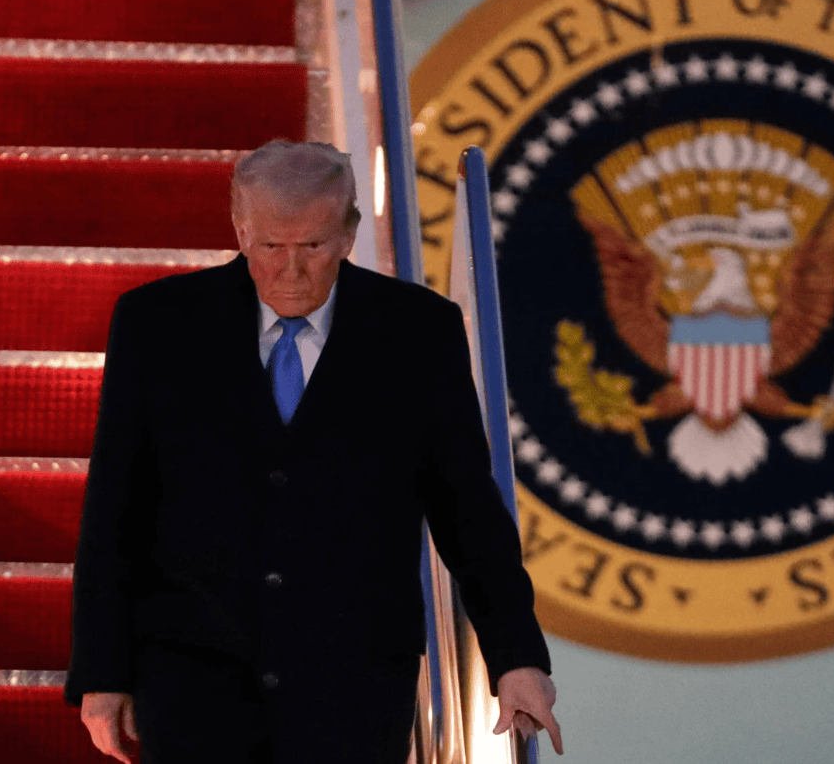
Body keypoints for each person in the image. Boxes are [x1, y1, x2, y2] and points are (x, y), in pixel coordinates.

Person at [65, 140, 562, 763]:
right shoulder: (156, 323)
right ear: (239, 231)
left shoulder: (419, 331)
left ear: (349, 232)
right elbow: (115, 511)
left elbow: (469, 514)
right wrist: (102, 672)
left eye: (313, 246)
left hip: (354, 689)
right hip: (192, 681)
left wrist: (516, 658)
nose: (291, 271)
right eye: (271, 246)